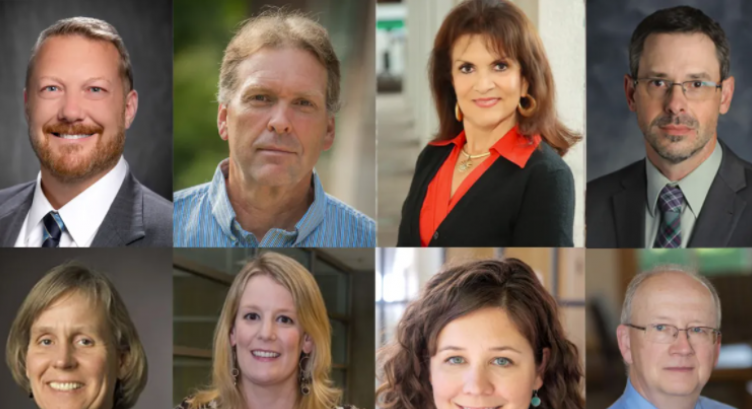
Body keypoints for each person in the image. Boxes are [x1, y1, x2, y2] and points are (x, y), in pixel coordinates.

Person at [376, 258, 585, 409]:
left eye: (501, 361)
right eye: (455, 359)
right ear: (428, 368)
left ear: (540, 369)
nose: (476, 387)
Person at [172, 252, 375, 409]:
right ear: (233, 332)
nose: (266, 333)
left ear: (307, 339)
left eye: (284, 319)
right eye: (252, 316)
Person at [173, 11, 375, 248]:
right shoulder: (167, 225)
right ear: (224, 118)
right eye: (260, 97)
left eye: (303, 103)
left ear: (329, 130)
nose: (280, 122)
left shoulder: (367, 239)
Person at [396, 0, 579, 247]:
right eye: (467, 68)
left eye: (500, 66)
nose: (483, 85)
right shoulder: (431, 157)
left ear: (525, 80)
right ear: (450, 81)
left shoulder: (546, 176)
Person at [0, 262, 171, 409]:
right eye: (46, 341)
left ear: (122, 361)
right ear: (25, 359)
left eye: (84, 341)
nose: (62, 361)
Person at [587, 6, 752, 248]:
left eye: (696, 83)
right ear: (631, 93)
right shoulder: (587, 205)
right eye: (658, 82)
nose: (675, 105)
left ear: (725, 96)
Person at [0, 17, 172, 248]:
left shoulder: (170, 232)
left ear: (128, 109)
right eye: (51, 88)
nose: (71, 112)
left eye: (95, 89)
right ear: (27, 105)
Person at [587, 265, 752, 409]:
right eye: (661, 328)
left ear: (716, 348)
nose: (683, 347)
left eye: (698, 329)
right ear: (626, 344)